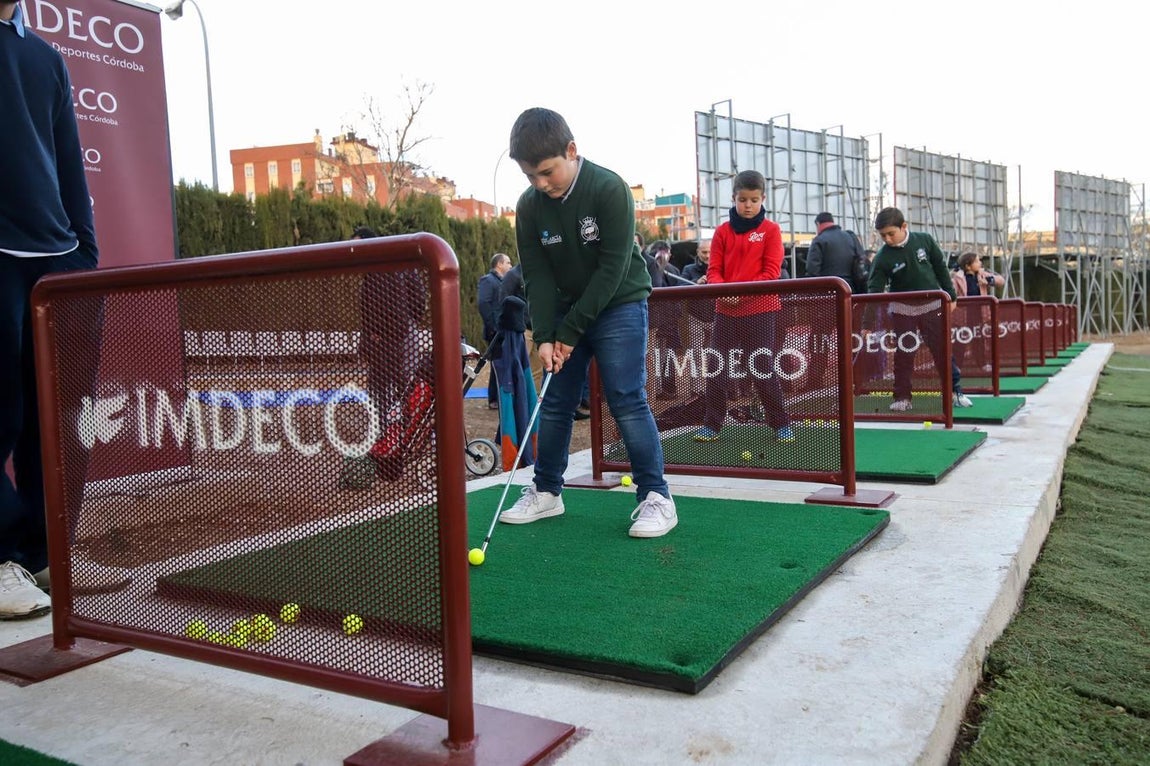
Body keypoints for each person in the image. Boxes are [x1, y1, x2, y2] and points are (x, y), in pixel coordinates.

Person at [1, 1, 131, 619]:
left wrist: (84, 254)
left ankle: (44, 555)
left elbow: (68, 161)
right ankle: (3, 559)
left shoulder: (45, 55)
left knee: (52, 426)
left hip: (53, 260)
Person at [498, 107, 677, 538]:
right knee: (556, 400)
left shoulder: (608, 188)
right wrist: (545, 335)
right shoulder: (529, 206)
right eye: (530, 177)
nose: (541, 184)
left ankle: (657, 497)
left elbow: (612, 270)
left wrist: (570, 332)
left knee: (625, 396)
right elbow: (536, 276)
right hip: (563, 309)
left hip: (619, 302)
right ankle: (547, 492)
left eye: (547, 172)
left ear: (572, 151)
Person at [692, 170, 794, 443]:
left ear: (763, 199)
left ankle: (781, 424)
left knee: (761, 366)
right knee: (715, 366)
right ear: (734, 198)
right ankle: (712, 425)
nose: (748, 205)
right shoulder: (722, 232)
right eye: (742, 199)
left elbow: (771, 272)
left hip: (760, 309)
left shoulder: (771, 230)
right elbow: (714, 271)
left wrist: (741, 294)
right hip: (725, 311)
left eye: (753, 200)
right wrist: (723, 291)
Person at [867, 207, 973, 409]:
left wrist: (951, 296)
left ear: (904, 226)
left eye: (891, 234)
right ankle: (902, 398)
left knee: (942, 351)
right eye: (883, 236)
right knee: (904, 353)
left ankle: (955, 392)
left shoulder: (924, 240)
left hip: (933, 306)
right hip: (902, 310)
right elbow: (874, 290)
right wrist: (867, 323)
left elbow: (941, 268)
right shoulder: (882, 257)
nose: (887, 239)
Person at [645, 240, 683, 400]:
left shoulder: (671, 270)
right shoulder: (652, 267)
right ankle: (660, 388)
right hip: (658, 318)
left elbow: (680, 293)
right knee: (656, 354)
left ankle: (667, 388)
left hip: (667, 319)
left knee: (665, 354)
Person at [477, 252, 512, 409]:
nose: (510, 266)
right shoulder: (488, 281)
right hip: (495, 332)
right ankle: (494, 399)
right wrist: (494, 327)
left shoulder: (502, 282)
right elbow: (483, 304)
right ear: (499, 264)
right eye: (508, 263)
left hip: (503, 330)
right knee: (497, 364)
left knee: (501, 364)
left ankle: (498, 397)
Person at [806, 212, 869, 293]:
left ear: (818, 224)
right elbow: (861, 261)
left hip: (829, 291)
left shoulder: (819, 241)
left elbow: (812, 271)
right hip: (850, 290)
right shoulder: (850, 236)